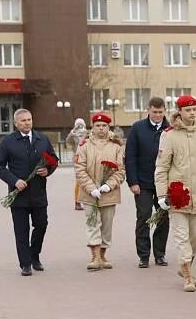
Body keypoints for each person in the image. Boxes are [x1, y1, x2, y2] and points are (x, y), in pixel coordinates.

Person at [154, 95, 196, 292]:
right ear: (180, 112)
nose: (192, 113)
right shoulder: (170, 135)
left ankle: (185, 266)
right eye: (188, 110)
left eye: (194, 109)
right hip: (178, 194)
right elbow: (161, 167)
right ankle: (188, 275)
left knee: (195, 237)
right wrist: (161, 195)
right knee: (181, 237)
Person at [0, 108, 59, 276]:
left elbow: (54, 159)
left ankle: (34, 255)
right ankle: (25, 264)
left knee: (41, 225)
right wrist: (14, 180)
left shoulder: (42, 139)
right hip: (18, 195)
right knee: (21, 230)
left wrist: (48, 170)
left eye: (29, 119)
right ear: (16, 123)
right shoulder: (8, 142)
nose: (27, 123)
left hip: (38, 193)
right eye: (23, 121)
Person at [74, 112, 126, 271]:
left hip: (109, 193)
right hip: (89, 194)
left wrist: (109, 185)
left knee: (107, 225)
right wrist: (91, 188)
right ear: (93, 127)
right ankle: (95, 256)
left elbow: (121, 170)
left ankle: (103, 255)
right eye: (98, 126)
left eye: (104, 126)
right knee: (92, 223)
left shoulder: (116, 146)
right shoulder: (84, 145)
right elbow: (79, 169)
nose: (101, 129)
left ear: (108, 127)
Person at [125, 97, 171, 268]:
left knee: (162, 218)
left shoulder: (170, 129)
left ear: (164, 110)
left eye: (161, 112)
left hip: (164, 184)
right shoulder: (137, 128)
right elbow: (130, 157)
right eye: (155, 112)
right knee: (144, 217)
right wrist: (133, 181)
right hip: (142, 183)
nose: (158, 115)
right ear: (148, 110)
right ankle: (144, 255)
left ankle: (160, 254)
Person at [67, 117, 88, 210]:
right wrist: (72, 132)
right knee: (79, 181)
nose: (80, 126)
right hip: (77, 158)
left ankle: (89, 200)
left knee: (90, 179)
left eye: (81, 124)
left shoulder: (86, 133)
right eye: (78, 124)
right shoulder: (73, 134)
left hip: (88, 158)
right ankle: (77, 202)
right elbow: (68, 141)